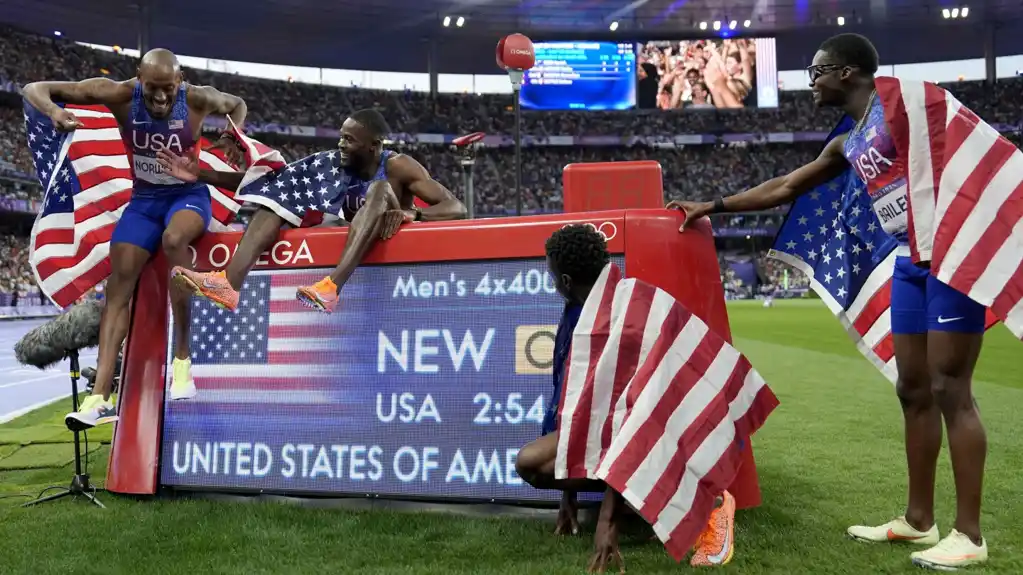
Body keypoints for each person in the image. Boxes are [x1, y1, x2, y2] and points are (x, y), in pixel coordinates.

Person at [668, 33, 990, 570]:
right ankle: (917, 520)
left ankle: (970, 534)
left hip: (953, 256)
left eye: (816, 71)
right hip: (911, 261)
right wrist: (711, 205)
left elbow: (972, 148)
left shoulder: (908, 105)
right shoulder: (848, 141)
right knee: (912, 389)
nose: (809, 81)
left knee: (949, 387)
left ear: (846, 72)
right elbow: (786, 186)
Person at [22, 48, 248, 430]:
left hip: (186, 197)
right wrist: (55, 112)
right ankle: (100, 399)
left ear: (180, 82)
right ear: (138, 80)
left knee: (175, 240)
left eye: (168, 90)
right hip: (143, 201)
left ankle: (182, 363)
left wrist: (232, 139)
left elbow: (237, 104)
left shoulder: (198, 98)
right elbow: (35, 87)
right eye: (152, 89)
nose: (160, 99)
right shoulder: (119, 94)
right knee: (118, 288)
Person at [515, 224, 736, 572]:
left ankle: (711, 505)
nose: (554, 283)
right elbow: (571, 401)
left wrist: (607, 523)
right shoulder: (580, 308)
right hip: (634, 429)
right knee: (534, 463)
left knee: (555, 459)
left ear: (568, 280)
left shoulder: (627, 317)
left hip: (672, 430)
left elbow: (634, 425)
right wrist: (567, 495)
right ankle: (651, 504)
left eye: (554, 276)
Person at [157, 109, 466, 312]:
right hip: (356, 250)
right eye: (341, 137)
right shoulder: (333, 164)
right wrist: (202, 174)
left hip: (397, 265)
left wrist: (415, 215)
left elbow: (456, 207)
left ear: (373, 146)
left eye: (350, 140)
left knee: (380, 189)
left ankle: (332, 286)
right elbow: (273, 183)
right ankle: (229, 284)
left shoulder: (397, 165)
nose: (341, 145)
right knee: (275, 202)